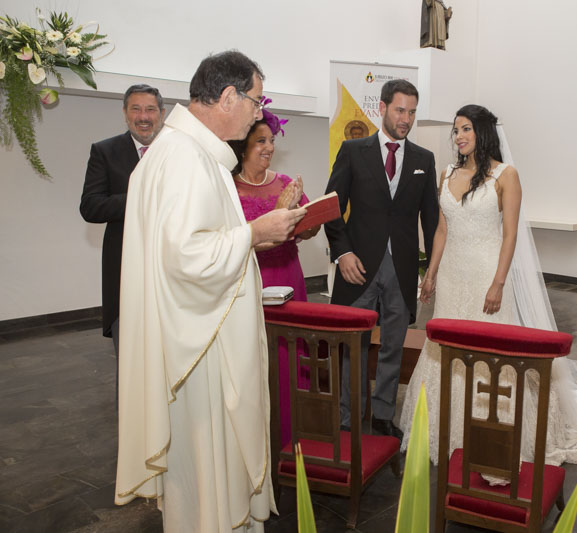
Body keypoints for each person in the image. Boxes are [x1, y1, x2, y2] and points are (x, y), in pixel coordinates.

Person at [114, 51, 306, 532]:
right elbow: (186, 257)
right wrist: (255, 232)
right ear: (228, 96)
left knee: (200, 473)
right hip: (200, 350)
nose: (258, 114)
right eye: (256, 101)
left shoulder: (186, 151)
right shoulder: (185, 157)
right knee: (205, 470)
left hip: (196, 336)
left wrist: (252, 236)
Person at [398, 104, 577, 469]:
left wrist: (499, 283)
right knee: (446, 348)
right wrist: (432, 274)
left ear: (483, 132)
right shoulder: (446, 173)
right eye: (456, 129)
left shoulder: (506, 175)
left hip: (487, 273)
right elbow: (441, 229)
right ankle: (447, 430)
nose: (459, 136)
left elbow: (510, 235)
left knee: (488, 352)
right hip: (453, 275)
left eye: (466, 129)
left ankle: (492, 433)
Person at [324, 79, 439, 439]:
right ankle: (348, 416)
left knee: (393, 345)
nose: (406, 119)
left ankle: (383, 415)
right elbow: (331, 208)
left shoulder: (423, 159)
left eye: (412, 112)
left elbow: (431, 219)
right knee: (352, 346)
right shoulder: (352, 151)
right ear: (383, 108)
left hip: (402, 269)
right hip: (357, 267)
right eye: (400, 110)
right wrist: (343, 253)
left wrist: (431, 270)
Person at [227, 107, 320, 447]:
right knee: (253, 359)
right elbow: (233, 240)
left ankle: (292, 434)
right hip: (250, 280)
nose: (269, 147)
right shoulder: (228, 188)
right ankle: (254, 440)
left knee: (289, 357)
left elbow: (308, 229)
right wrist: (280, 210)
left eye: (271, 141)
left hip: (289, 276)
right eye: (260, 141)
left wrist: (305, 219)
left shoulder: (285, 183)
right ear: (242, 146)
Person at [79, 84, 165, 357]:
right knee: (130, 361)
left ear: (162, 114)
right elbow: (91, 207)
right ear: (125, 113)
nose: (143, 116)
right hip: (126, 270)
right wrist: (140, 197)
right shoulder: (104, 151)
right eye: (136, 109)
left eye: (150, 109)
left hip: (170, 270)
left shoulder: (177, 151)